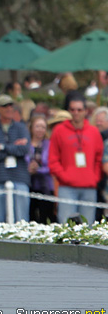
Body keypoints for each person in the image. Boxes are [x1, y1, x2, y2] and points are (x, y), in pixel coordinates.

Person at [48, 91, 103, 224]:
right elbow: (53, 159)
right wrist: (64, 176)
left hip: (89, 187)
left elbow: (99, 158)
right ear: (68, 111)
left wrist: (94, 177)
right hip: (67, 187)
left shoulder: (94, 132)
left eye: (79, 110)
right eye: (72, 110)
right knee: (66, 225)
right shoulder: (59, 131)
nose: (76, 113)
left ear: (85, 111)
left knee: (88, 226)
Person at [0, 94, 31, 225]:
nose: (9, 109)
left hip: (19, 178)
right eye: (5, 106)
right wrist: (13, 147)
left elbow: (24, 149)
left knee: (22, 222)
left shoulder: (21, 128)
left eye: (11, 106)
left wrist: (2, 147)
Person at [27, 114, 55, 224]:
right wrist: (28, 168)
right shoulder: (25, 144)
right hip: (29, 186)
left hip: (46, 187)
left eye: (43, 127)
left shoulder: (50, 144)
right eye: (37, 126)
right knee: (31, 218)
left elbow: (52, 165)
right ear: (31, 128)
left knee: (46, 218)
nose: (40, 130)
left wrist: (38, 170)